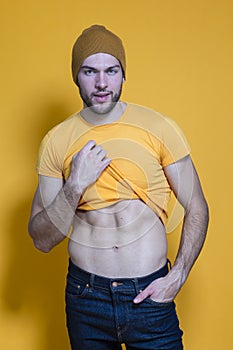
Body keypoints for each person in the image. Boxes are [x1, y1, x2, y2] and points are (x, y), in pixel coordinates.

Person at [28, 25, 209, 350]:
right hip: (86, 299)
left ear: (123, 74)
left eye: (111, 70)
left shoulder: (159, 128)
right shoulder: (56, 141)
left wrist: (178, 275)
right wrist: (75, 186)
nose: (101, 83)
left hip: (150, 295)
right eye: (89, 71)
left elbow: (197, 206)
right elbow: (41, 239)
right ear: (76, 76)